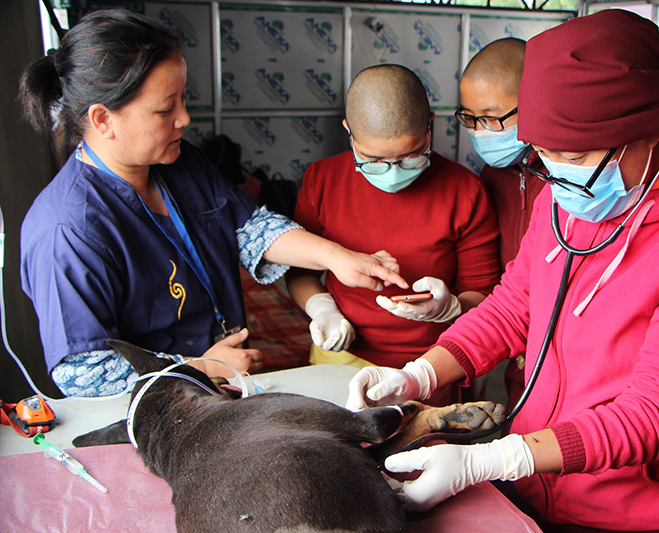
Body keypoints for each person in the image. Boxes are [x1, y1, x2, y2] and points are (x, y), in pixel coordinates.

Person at [346, 10, 659, 532]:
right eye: (543, 156)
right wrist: (419, 373)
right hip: (538, 481)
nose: (556, 175)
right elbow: (515, 307)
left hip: (642, 507)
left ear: (651, 132)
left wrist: (493, 459)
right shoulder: (573, 194)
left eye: (573, 155)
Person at [17, 9, 407, 397]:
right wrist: (202, 368)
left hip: (221, 386)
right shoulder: (67, 230)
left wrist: (338, 257)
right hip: (157, 412)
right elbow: (86, 373)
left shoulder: (179, 162)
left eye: (183, 99)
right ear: (103, 120)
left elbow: (251, 228)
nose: (184, 119)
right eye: (165, 109)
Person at [286, 64, 501, 406]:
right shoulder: (322, 181)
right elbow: (299, 271)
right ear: (349, 132)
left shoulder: (466, 192)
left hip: (431, 362)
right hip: (344, 357)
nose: (393, 173)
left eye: (411, 156)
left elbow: (487, 295)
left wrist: (452, 307)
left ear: (430, 125)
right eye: (372, 160)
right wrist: (322, 308)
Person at [457, 37, 547, 406]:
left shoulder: (573, 176)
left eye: (492, 118)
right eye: (470, 118)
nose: (481, 131)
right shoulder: (492, 175)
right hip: (512, 336)